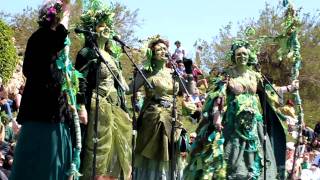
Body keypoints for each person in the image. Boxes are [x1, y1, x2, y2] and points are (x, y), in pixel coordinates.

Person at [184, 40, 289, 179]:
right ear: (234, 57)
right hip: (233, 120)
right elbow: (219, 98)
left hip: (254, 122)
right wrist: (217, 119)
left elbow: (271, 92)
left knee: (256, 153)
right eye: (239, 54)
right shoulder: (227, 75)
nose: (242, 57)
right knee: (233, 156)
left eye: (245, 54)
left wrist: (290, 87)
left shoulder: (255, 75)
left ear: (249, 55)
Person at [9, 0, 74, 179]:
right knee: (45, 161)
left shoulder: (38, 38)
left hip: (42, 106)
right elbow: (60, 36)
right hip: (46, 109)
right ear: (55, 18)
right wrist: (67, 11)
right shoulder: (43, 36)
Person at [75, 1, 132, 179]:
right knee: (98, 149)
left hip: (114, 107)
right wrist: (81, 106)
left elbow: (120, 87)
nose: (106, 29)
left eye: (108, 25)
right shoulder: (87, 53)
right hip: (96, 105)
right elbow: (80, 80)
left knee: (117, 150)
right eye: (102, 25)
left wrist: (125, 109)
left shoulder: (112, 56)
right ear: (92, 29)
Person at [128, 36, 195, 179]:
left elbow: (189, 90)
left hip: (173, 118)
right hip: (153, 119)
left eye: (165, 49)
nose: (163, 51)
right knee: (154, 154)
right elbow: (129, 89)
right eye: (159, 49)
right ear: (152, 53)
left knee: (171, 154)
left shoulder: (173, 73)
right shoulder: (146, 73)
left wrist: (189, 73)